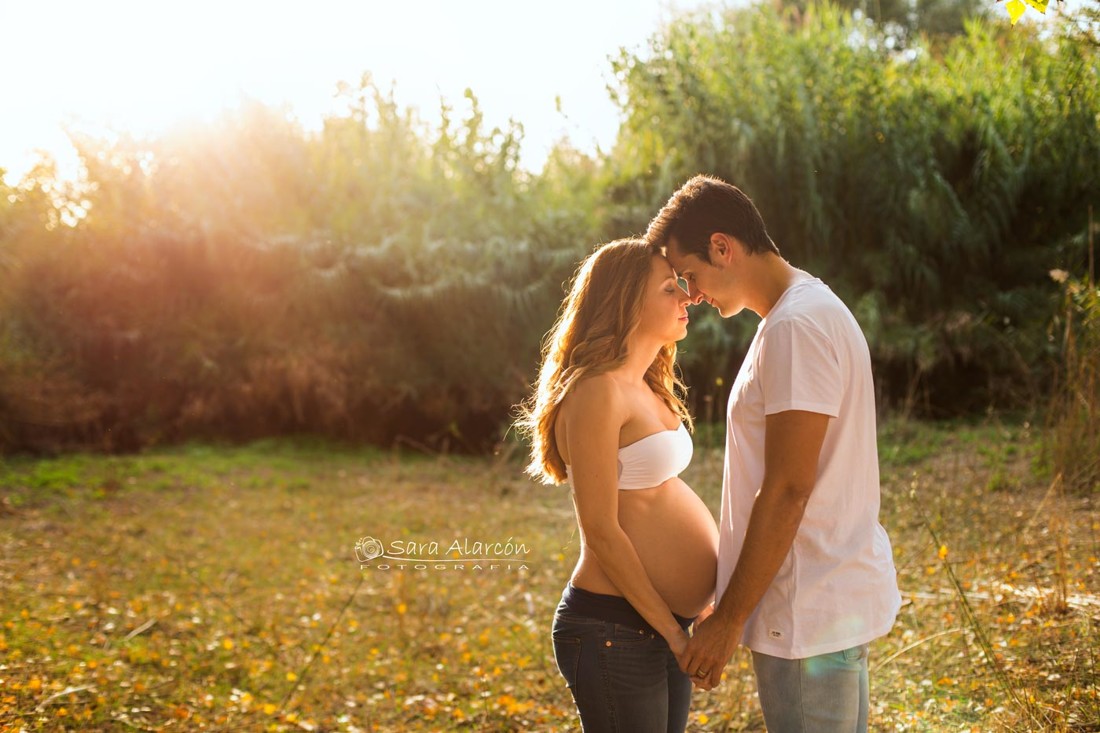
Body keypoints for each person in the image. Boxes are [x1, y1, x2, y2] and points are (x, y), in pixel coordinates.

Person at [646, 175, 901, 732]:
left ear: (722, 246)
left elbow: (789, 486)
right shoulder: (801, 313)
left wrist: (730, 619)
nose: (691, 294)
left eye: (689, 275)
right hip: (815, 606)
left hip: (805, 614)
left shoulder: (797, 326)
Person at [517, 238, 718, 733]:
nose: (687, 297)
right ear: (626, 301)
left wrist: (697, 612)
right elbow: (602, 531)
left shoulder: (648, 385)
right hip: (615, 626)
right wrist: (673, 632)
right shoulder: (596, 392)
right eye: (671, 288)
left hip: (660, 623)